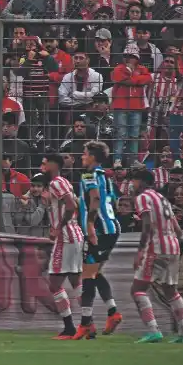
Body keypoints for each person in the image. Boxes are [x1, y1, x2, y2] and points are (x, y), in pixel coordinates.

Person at [130, 169, 183, 344]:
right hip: (173, 246)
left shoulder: (143, 197)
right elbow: (178, 231)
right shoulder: (162, 198)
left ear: (141, 181)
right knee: (170, 290)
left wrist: (141, 250)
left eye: (133, 181)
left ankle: (154, 331)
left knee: (137, 289)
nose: (132, 185)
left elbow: (147, 225)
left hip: (156, 247)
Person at [74, 142, 124, 338]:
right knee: (94, 272)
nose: (82, 157)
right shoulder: (106, 176)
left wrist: (90, 226)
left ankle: (86, 323)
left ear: (93, 157)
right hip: (112, 227)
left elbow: (94, 199)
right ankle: (111, 313)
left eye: (85, 154)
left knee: (87, 274)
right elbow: (111, 200)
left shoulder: (89, 175)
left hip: (99, 229)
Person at [39, 154, 85, 339]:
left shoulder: (56, 183)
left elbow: (71, 205)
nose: (42, 164)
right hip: (75, 235)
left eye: (45, 162)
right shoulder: (63, 182)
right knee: (76, 282)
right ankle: (88, 322)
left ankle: (69, 328)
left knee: (54, 284)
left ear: (53, 164)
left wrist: (58, 227)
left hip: (65, 237)